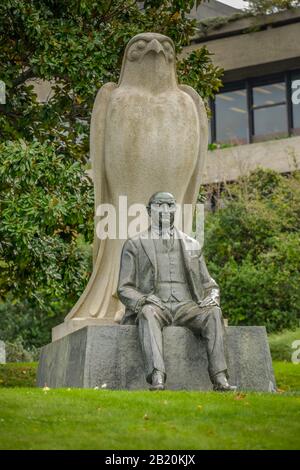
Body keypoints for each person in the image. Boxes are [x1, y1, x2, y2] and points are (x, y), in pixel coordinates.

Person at [117, 192, 236, 392]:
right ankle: (157, 376)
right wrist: (144, 299)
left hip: (186, 306)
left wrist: (213, 298)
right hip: (156, 305)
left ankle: (219, 377)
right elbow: (124, 288)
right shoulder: (135, 244)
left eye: (170, 205)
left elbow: (209, 284)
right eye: (159, 205)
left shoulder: (192, 244)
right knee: (147, 313)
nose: (165, 210)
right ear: (149, 210)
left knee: (214, 313)